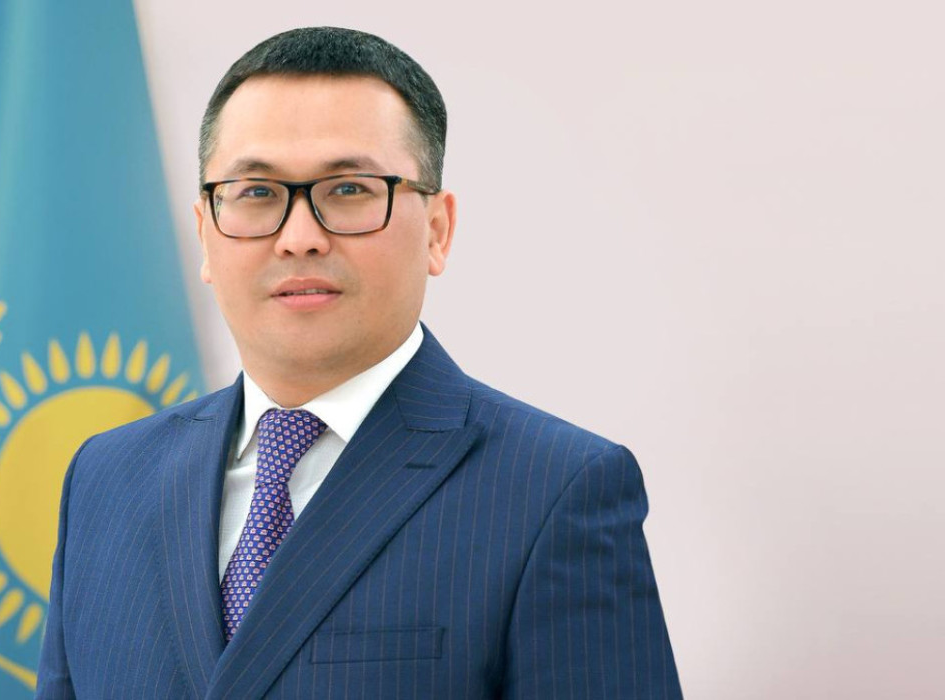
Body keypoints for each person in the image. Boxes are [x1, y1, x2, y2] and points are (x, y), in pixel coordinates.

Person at [36, 26, 681, 699]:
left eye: (348, 189)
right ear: (205, 232)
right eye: (256, 193)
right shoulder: (105, 479)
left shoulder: (555, 491)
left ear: (438, 231)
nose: (300, 238)